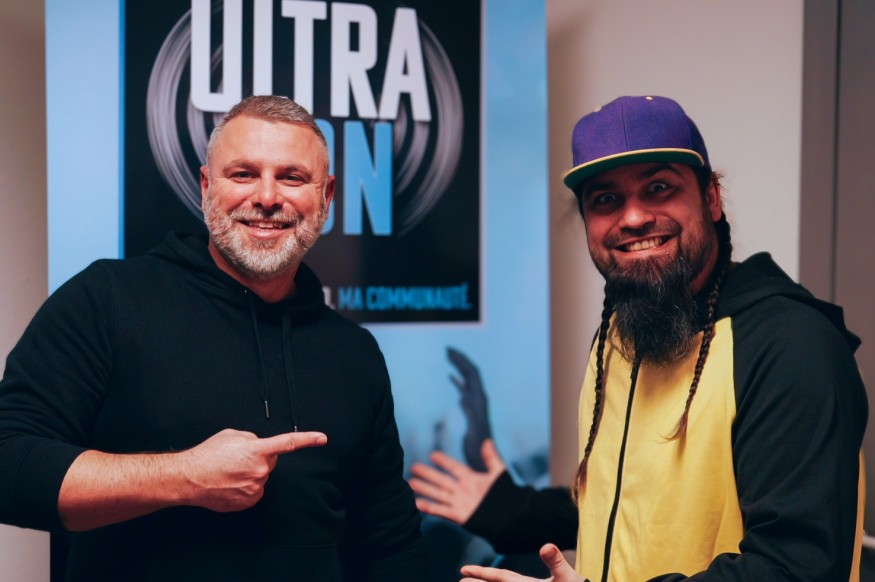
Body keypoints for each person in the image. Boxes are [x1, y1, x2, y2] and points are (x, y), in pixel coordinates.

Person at [410, 95, 868, 581]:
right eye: (606, 199)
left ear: (712, 198)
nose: (632, 218)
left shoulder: (793, 346)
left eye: (658, 187)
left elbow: (795, 567)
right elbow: (634, 503)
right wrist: (512, 512)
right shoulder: (624, 330)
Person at [0, 95, 426, 581]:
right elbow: (8, 463)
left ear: (326, 196)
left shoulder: (354, 351)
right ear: (206, 186)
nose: (267, 197)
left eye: (292, 177)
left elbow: (389, 543)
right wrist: (185, 476)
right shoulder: (106, 300)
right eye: (243, 174)